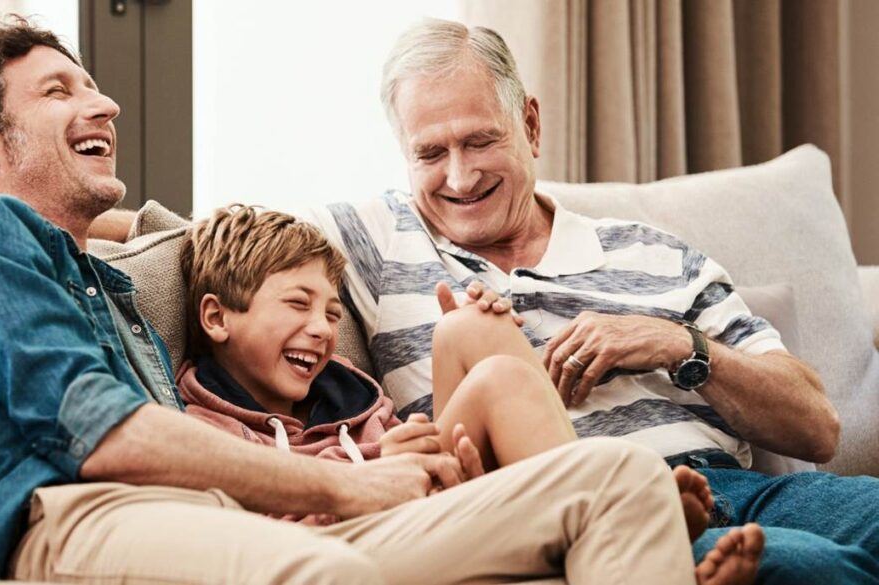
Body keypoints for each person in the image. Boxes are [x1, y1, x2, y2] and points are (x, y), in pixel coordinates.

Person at [0, 15, 741, 585]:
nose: (107, 101)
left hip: (202, 523)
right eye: (61, 90)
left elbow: (207, 236)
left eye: (94, 83)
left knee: (616, 481)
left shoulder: (103, 283)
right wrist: (351, 488)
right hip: (48, 524)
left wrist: (357, 490)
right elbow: (105, 435)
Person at [305, 17, 879, 585]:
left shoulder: (655, 254)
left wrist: (678, 343)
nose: (458, 177)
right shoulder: (379, 239)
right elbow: (227, 257)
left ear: (530, 125)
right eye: (430, 153)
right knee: (803, 566)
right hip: (590, 512)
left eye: (480, 140)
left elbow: (817, 428)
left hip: (738, 488)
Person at [176, 203, 767, 579]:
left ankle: (631, 536)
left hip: (432, 529)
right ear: (216, 317)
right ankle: (643, 536)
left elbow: (433, 484)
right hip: (342, 552)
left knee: (479, 341)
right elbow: (244, 556)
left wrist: (429, 463)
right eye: (298, 305)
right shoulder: (200, 433)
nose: (322, 328)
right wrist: (369, 481)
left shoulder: (358, 401)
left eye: (332, 312)